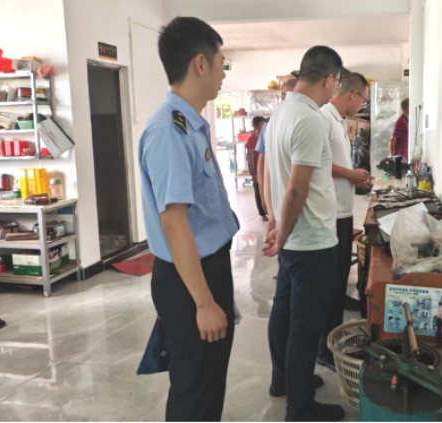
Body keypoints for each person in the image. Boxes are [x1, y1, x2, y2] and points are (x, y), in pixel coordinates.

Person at [139, 17, 239, 423]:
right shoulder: (169, 131)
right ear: (201, 63)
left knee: (209, 380)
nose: (223, 72)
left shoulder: (191, 125)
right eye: (221, 62)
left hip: (205, 266)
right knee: (194, 388)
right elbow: (174, 225)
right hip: (188, 279)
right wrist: (204, 302)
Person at [263, 46, 346, 423]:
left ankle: (284, 379)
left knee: (284, 312)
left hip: (293, 237)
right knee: (305, 326)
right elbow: (297, 188)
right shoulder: (310, 119)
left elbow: (272, 174)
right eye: (337, 84)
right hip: (310, 240)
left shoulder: (281, 112)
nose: (335, 90)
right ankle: (300, 408)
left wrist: (277, 224)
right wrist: (282, 230)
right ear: (329, 79)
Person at [316, 72, 372, 372]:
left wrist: (355, 177)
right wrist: (351, 175)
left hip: (342, 212)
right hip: (331, 214)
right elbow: (319, 164)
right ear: (353, 94)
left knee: (338, 282)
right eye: (363, 99)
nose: (362, 105)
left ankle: (332, 340)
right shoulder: (324, 118)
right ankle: (324, 349)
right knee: (330, 286)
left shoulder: (338, 120)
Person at [256, 78, 299, 217]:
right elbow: (263, 162)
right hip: (277, 194)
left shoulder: (305, 123)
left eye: (291, 95)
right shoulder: (270, 124)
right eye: (284, 96)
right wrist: (263, 193)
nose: (287, 100)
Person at [246, 116, 268, 221]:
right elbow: (249, 158)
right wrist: (253, 173)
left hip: (266, 169)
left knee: (266, 190)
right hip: (257, 170)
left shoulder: (265, 136)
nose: (264, 125)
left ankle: (268, 210)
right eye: (262, 123)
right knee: (259, 192)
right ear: (258, 124)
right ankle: (262, 213)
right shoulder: (252, 139)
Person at [390, 98, 410, 162]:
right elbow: (393, 139)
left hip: (406, 155)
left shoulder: (407, 121)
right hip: (401, 155)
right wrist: (391, 154)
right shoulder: (401, 121)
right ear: (408, 108)